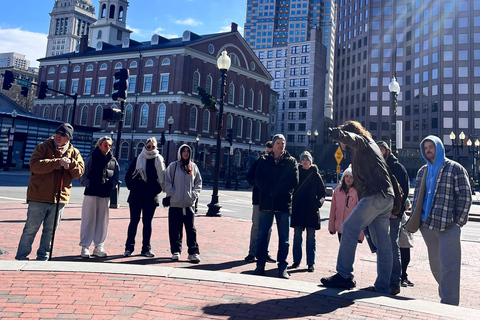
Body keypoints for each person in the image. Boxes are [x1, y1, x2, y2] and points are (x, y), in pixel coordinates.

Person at [320, 121, 394, 294]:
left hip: (375, 195)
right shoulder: (371, 146)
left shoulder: (362, 142)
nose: (341, 146)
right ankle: (383, 286)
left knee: (348, 227)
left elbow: (352, 138)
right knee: (383, 243)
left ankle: (344, 276)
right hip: (386, 197)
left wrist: (336, 133)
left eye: (341, 143)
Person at [411, 136, 471, 305]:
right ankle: (446, 293)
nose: (428, 150)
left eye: (432, 147)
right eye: (426, 148)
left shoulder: (454, 168)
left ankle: (450, 304)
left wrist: (457, 223)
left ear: (439, 148)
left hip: (447, 226)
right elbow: (417, 197)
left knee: (450, 267)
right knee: (436, 266)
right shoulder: (422, 171)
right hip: (427, 225)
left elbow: (465, 197)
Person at [15, 123, 84, 261]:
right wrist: (57, 162)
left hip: (59, 197)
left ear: (68, 138)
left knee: (50, 231)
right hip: (39, 196)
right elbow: (35, 166)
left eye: (62, 134)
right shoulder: (43, 147)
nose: (58, 136)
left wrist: (70, 164)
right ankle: (21, 256)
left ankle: (43, 256)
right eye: (57, 133)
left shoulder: (74, 152)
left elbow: (80, 172)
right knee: (30, 229)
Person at [254, 134, 298, 279]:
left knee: (284, 238)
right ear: (273, 145)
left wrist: (276, 190)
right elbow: (258, 178)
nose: (281, 145)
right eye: (278, 143)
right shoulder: (264, 160)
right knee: (262, 236)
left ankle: (282, 267)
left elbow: (293, 181)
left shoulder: (291, 161)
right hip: (266, 203)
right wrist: (269, 190)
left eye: (283, 143)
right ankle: (260, 265)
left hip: (283, 204)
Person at [376, 141, 409, 296]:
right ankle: (382, 280)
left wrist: (398, 211)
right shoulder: (376, 166)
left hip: (393, 214)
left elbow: (405, 192)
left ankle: (394, 282)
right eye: (378, 150)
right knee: (381, 248)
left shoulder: (397, 167)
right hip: (379, 213)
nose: (380, 152)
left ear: (388, 151)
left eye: (382, 149)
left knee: (391, 247)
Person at [123, 137, 166, 258]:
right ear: (145, 147)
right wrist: (132, 187)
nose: (150, 148)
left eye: (153, 147)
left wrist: (156, 189)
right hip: (136, 195)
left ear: (156, 148)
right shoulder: (138, 159)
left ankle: (146, 248)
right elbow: (128, 176)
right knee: (134, 222)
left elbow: (164, 178)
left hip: (151, 197)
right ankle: (129, 248)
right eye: (148, 146)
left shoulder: (159, 160)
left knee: (147, 223)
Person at [78, 136, 119, 258]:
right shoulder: (92, 158)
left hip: (105, 195)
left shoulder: (113, 161)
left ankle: (99, 246)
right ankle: (85, 246)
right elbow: (82, 175)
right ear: (100, 145)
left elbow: (116, 177)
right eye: (105, 145)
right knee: (88, 220)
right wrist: (89, 184)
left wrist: (111, 185)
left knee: (102, 221)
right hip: (91, 193)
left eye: (110, 145)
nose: (107, 147)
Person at [164, 144, 202, 263]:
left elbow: (198, 183)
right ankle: (176, 251)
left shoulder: (194, 167)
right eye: (184, 151)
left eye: (188, 151)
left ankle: (193, 252)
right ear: (180, 153)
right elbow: (167, 181)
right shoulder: (173, 166)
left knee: (191, 229)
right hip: (175, 203)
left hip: (188, 204)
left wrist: (193, 195)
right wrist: (173, 193)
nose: (186, 153)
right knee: (175, 229)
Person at [290, 151, 326, 272]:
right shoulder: (296, 172)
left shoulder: (315, 175)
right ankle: (296, 260)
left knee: (311, 237)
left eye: (307, 159)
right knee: (297, 236)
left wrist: (318, 203)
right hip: (298, 209)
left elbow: (322, 193)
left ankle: (311, 262)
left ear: (311, 161)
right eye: (303, 159)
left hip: (311, 210)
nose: (305, 161)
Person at [244, 141, 275, 263]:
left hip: (270, 200)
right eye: (266, 152)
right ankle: (252, 252)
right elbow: (249, 177)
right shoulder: (259, 162)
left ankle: (264, 252)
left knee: (268, 228)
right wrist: (258, 183)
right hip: (258, 198)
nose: (267, 154)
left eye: (270, 152)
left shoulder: (276, 164)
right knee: (256, 225)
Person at [328, 166, 364, 243]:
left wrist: (360, 235)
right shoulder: (338, 190)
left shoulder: (357, 192)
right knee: (342, 250)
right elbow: (333, 210)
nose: (348, 179)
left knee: (348, 252)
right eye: (346, 176)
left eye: (351, 177)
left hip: (352, 229)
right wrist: (332, 227)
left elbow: (360, 214)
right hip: (340, 228)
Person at [399, 197, 414, 287]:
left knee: (406, 259)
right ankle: (401, 277)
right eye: (406, 205)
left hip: (406, 242)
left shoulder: (405, 215)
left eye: (408, 206)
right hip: (401, 242)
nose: (407, 207)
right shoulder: (400, 216)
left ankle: (404, 276)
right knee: (402, 260)